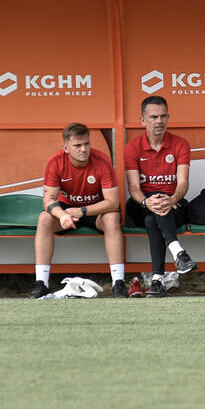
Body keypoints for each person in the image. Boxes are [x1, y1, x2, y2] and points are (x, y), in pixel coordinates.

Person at [32, 124, 127, 299]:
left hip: (96, 211)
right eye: (77, 145)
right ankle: (41, 284)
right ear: (66, 148)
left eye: (86, 144)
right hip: (68, 211)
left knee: (112, 218)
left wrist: (83, 210)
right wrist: (62, 215)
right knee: (44, 218)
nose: (84, 149)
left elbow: (113, 203)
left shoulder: (102, 161)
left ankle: (118, 283)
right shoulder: (56, 162)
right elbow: (48, 200)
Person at [124, 96, 197, 297]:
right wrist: (147, 201)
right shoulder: (132, 147)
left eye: (163, 116)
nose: (159, 121)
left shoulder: (180, 144)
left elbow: (183, 183)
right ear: (142, 120)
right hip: (142, 203)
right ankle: (179, 254)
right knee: (150, 212)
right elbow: (133, 187)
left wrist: (172, 199)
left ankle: (157, 281)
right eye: (154, 117)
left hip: (171, 201)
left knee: (152, 219)